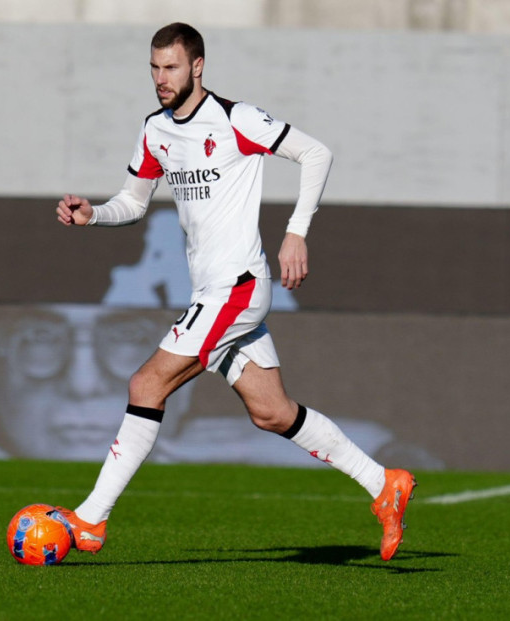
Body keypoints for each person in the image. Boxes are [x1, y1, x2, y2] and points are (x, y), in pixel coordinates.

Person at [54, 23, 416, 562]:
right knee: (272, 412)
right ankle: (384, 483)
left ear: (197, 66)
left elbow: (316, 154)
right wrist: (94, 215)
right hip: (211, 292)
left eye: (171, 67)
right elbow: (133, 201)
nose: (161, 78)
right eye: (154, 68)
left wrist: (296, 232)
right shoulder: (155, 129)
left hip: (237, 288)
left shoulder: (234, 119)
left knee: (146, 383)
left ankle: (90, 518)